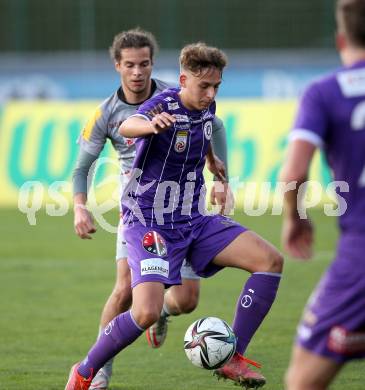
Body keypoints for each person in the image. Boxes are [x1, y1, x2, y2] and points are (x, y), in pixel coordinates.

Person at [66, 42, 283, 390]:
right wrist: (151, 125)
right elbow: (128, 125)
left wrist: (218, 174)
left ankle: (233, 358)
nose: (211, 94)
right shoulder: (161, 104)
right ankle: (86, 371)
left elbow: (209, 127)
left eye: (216, 87)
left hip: (193, 220)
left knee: (269, 261)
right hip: (149, 223)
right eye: (204, 86)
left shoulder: (205, 108)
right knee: (143, 311)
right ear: (183, 79)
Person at [280, 1, 365, 388]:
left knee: (302, 380)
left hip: (360, 255)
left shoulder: (324, 93)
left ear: (340, 38)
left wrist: (294, 218)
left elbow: (295, 172)